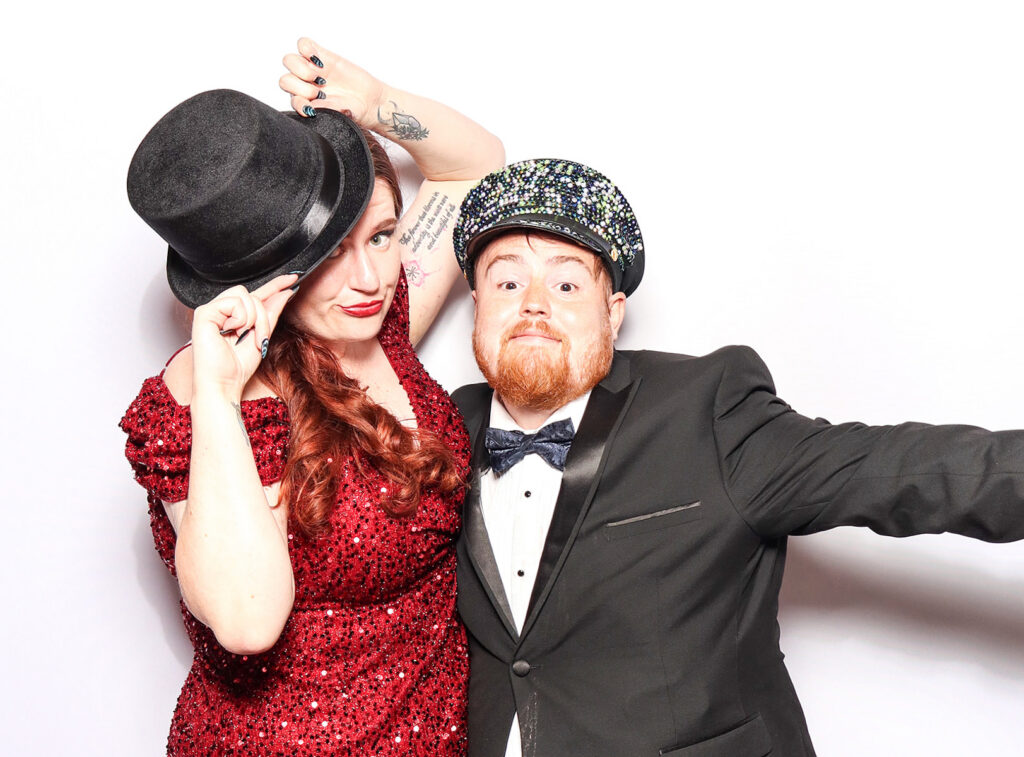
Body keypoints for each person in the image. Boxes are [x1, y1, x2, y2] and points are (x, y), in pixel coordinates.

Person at [448, 158, 1024, 757]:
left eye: (566, 284)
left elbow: (893, 469)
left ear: (613, 313)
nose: (533, 303)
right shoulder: (434, 430)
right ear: (477, 306)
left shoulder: (706, 411)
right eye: (507, 282)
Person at [120, 39, 503, 755]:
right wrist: (221, 393)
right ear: (272, 272)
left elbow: (475, 167)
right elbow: (246, 620)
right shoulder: (199, 395)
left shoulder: (377, 325)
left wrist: (372, 102)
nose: (370, 277)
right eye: (329, 256)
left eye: (384, 235)